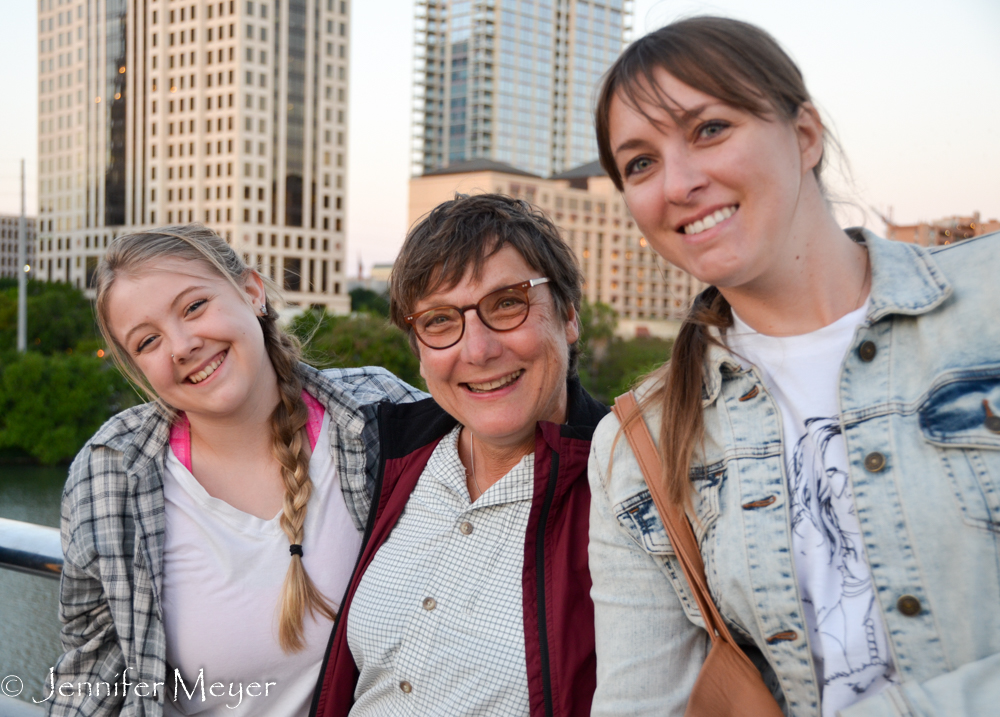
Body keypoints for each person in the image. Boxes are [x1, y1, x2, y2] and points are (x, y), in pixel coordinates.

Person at [587, 15, 1000, 717]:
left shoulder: (985, 305)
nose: (678, 182)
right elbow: (637, 701)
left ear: (804, 134)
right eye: (641, 162)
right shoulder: (638, 442)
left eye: (708, 129)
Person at [50, 225, 424, 717]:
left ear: (252, 291)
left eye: (194, 307)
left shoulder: (379, 413)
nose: (181, 345)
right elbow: (91, 679)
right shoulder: (109, 475)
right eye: (148, 342)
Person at [309, 194, 608, 717]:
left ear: (568, 316)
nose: (478, 350)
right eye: (440, 320)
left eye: (508, 303)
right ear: (420, 352)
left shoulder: (626, 483)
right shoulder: (390, 456)